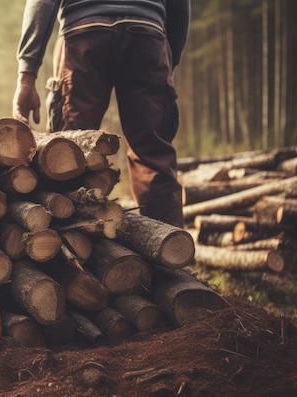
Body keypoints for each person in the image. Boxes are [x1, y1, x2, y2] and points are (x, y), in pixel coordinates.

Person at [12, 0, 190, 228]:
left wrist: (27, 74)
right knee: (153, 155)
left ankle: (66, 255)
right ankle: (168, 253)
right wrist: (168, 60)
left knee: (67, 151)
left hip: (83, 34)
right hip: (147, 35)